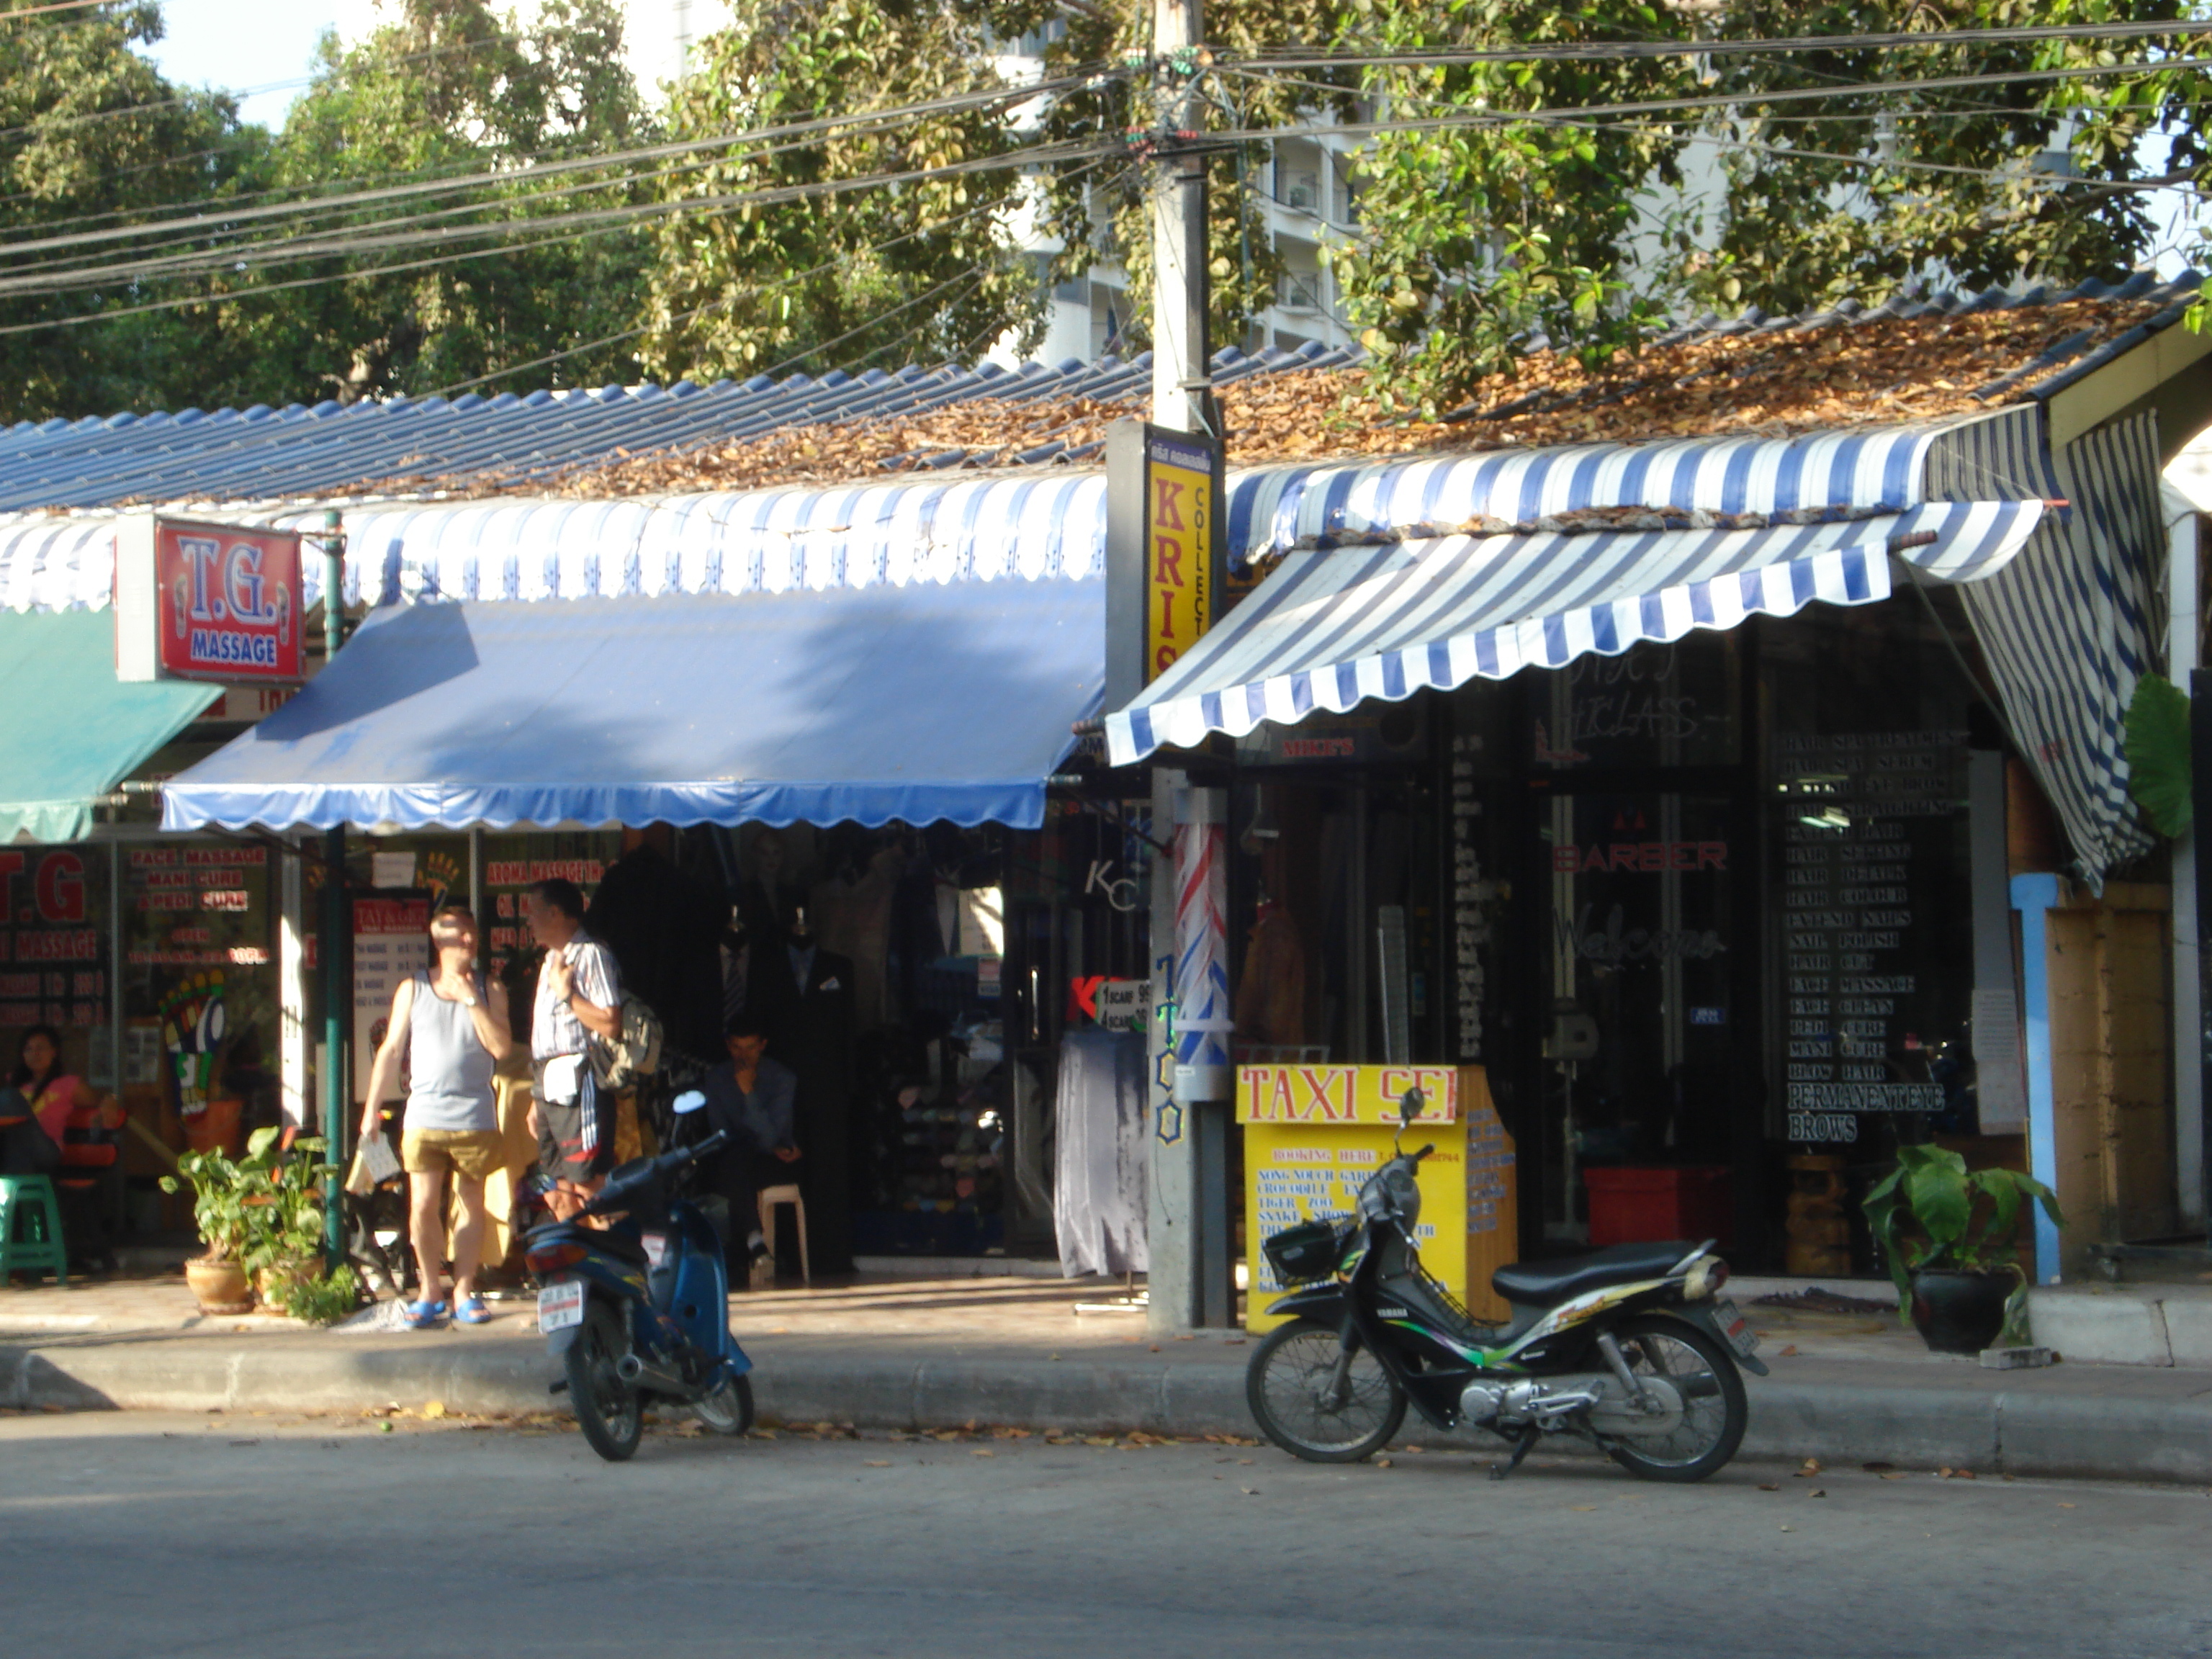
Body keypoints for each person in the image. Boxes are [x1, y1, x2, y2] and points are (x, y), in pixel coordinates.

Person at [361, 907, 514, 1329]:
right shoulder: (413, 987)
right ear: (439, 942)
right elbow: (391, 1049)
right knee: (423, 1205)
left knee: (471, 1204)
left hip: (475, 1115)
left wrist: (471, 1001)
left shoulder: (491, 987)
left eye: (472, 935)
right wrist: (373, 1107)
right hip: (424, 1114)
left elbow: (502, 1048)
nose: (468, 943)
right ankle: (430, 1289)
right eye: (459, 936)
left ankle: (464, 1289)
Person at [523, 877, 622, 1221]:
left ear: (554, 913)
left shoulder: (591, 954)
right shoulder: (550, 959)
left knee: (589, 1183)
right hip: (547, 1082)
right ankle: (574, 1265)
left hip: (579, 1082)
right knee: (557, 1187)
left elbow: (611, 1022)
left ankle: (621, 1264)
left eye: (533, 913)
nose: (528, 922)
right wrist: (537, 1100)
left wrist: (570, 996)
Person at [692, 1009, 799, 1268]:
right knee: (731, 1161)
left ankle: (754, 1241)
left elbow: (771, 1138)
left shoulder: (782, 1079)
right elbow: (721, 1132)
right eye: (737, 1048)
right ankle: (754, 1242)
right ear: (729, 1046)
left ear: (762, 1046)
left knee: (736, 1165)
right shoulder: (716, 1079)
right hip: (735, 1158)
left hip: (772, 1160)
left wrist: (748, 1093)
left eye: (751, 1048)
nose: (744, 1056)